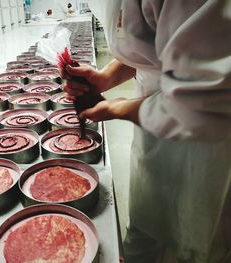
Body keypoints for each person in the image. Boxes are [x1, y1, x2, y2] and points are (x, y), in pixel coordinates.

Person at [62, 0, 231, 262]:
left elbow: (207, 91)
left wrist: (123, 109)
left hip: (204, 136)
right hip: (152, 122)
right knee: (146, 224)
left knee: (193, 239)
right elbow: (146, 41)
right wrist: (106, 77)